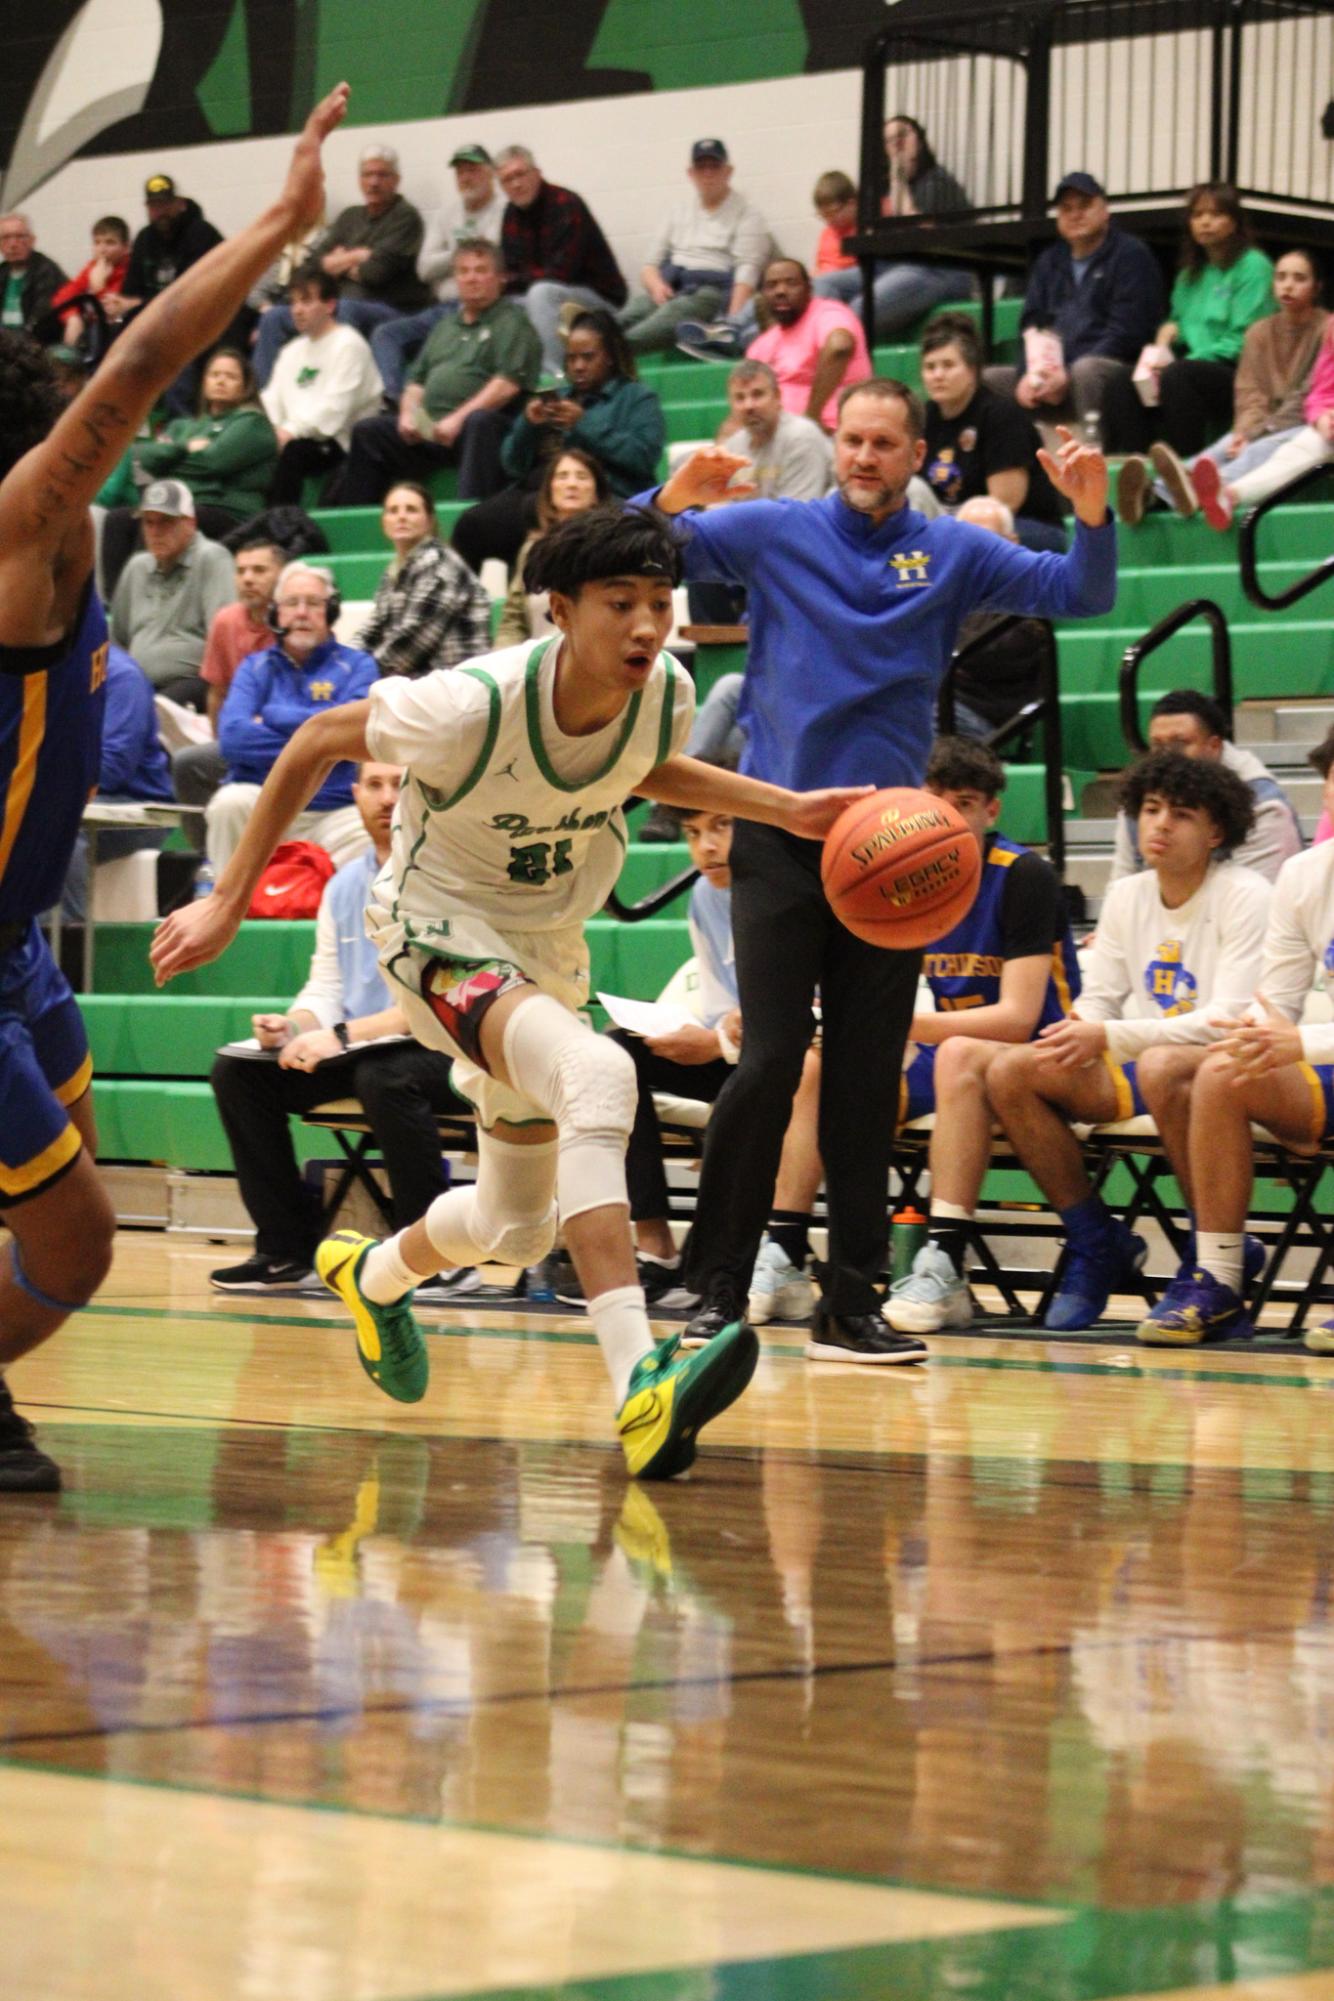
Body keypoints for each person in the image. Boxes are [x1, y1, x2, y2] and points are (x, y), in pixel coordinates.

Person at [151, 504, 867, 1480]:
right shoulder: (469, 703)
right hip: (434, 934)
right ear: (561, 611)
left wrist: (785, 807)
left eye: (660, 602)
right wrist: (228, 902)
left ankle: (372, 1273)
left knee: (515, 1221)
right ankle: (636, 1385)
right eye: (621, 604)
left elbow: (640, 766)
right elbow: (321, 734)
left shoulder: (661, 689)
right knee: (597, 1075)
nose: (647, 624)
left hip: (541, 950)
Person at [0, 79, 352, 1491]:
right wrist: (275, 221)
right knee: (79, 1240)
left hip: (17, 943)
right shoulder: (26, 525)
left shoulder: (56, 539)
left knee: (67, 1166)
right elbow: (140, 355)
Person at [635, 381, 1117, 1365]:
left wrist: (1090, 510)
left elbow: (1080, 593)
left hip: (890, 854)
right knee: (770, 1060)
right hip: (775, 834)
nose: (863, 456)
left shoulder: (950, 550)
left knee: (862, 1076)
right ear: (837, 445)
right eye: (851, 439)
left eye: (884, 443)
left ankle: (850, 1301)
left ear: (913, 455)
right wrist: (669, 498)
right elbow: (634, 554)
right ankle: (714, 1281)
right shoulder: (772, 528)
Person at [983, 749, 1270, 1330]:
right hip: (1145, 1062)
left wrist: (1108, 1033)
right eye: (1151, 808)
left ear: (1216, 830)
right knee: (1010, 1069)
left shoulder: (1246, 894)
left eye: (1181, 814)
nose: (1160, 824)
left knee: (1165, 1064)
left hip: (1219, 1071)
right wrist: (1075, 1032)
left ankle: (1212, 1252)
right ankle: (1094, 1240)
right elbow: (1100, 996)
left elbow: (1228, 1018)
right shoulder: (1128, 895)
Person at [209, 762, 463, 1292]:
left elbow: (432, 1004)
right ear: (355, 795)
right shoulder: (345, 884)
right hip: (363, 1049)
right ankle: (285, 1248)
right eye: (374, 785)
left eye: (401, 784)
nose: (386, 798)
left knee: (384, 1076)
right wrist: (291, 1026)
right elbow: (326, 988)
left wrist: (344, 1036)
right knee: (239, 1071)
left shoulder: (448, 878)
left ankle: (429, 1252)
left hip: (445, 1050)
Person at [865, 738, 1081, 1331]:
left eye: (961, 804)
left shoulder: (1024, 876)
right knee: (819, 1071)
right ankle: (791, 1254)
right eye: (932, 803)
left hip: (1033, 1055)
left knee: (957, 1053)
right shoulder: (899, 879)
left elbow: (1016, 1018)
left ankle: (946, 1262)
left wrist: (900, 1023)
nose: (944, 819)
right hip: (942, 1055)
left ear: (992, 811)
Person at [1134, 779, 1334, 1349]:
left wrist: (1301, 1044)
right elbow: (1278, 1002)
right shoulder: (1304, 875)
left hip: (1322, 1052)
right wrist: (1256, 1032)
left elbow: (1299, 1036)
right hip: (1327, 1062)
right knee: (1220, 1066)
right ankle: (1220, 1279)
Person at [1118, 249, 1327, 525]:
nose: (1288, 285)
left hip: (1302, 422)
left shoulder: (1327, 329)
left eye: (1299, 278)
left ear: (1317, 287)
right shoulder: (1259, 332)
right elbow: (1249, 391)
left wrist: (1258, 433)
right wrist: (1245, 430)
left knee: (1258, 449)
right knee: (1220, 449)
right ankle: (1157, 492)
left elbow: (1309, 394)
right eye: (1281, 277)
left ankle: (1182, 491)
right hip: (1263, 421)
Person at [452, 306, 663, 575]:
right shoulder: (557, 396)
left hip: (605, 494)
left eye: (588, 357)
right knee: (471, 526)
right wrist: (528, 425)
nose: (578, 366)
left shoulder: (637, 397)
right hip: (538, 491)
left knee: (535, 513)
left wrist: (583, 424)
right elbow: (512, 465)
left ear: (610, 356)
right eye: (571, 358)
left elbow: (643, 457)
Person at [334, 240, 541, 506]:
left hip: (483, 433)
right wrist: (409, 414)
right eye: (464, 271)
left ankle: (466, 520)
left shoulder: (513, 322)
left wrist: (456, 420)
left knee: (480, 422)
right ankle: (357, 528)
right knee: (369, 432)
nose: (471, 278)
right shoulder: (444, 326)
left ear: (501, 278)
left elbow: (506, 385)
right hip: (432, 431)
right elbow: (416, 383)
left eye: (481, 270)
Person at [208, 560, 377, 873]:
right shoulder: (254, 668)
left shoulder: (359, 667)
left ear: (331, 611)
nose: (301, 612)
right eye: (291, 603)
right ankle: (228, 914)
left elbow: (351, 736)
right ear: (276, 612)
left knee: (367, 829)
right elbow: (232, 738)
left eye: (314, 603)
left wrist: (272, 714)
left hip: (334, 811)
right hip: (264, 804)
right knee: (229, 804)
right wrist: (321, 739)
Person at [986, 172, 1164, 454]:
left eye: (1084, 206)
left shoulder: (1130, 255)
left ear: (1104, 211)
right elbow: (1032, 326)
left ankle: (1097, 459)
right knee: (990, 381)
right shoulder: (1049, 262)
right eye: (1067, 209)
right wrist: (1027, 375)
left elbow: (1126, 333)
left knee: (1087, 370)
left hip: (1111, 370)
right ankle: (1010, 467)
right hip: (1053, 375)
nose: (1075, 215)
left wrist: (1066, 374)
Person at [100, 348, 278, 595]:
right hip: (185, 505)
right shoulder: (183, 427)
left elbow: (213, 462)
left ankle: (152, 596)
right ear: (204, 382)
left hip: (228, 514)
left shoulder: (252, 423)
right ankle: (118, 602)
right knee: (118, 520)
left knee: (159, 518)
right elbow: (142, 457)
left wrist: (171, 458)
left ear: (245, 385)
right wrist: (185, 448)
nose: (221, 380)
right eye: (214, 374)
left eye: (230, 376)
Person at [251, 143, 429, 385]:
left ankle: (331, 386)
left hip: (387, 308)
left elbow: (376, 273)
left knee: (344, 308)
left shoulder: (406, 217)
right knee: (274, 318)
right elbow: (311, 270)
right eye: (367, 175)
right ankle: (261, 400)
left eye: (382, 175)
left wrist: (336, 263)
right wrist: (357, 257)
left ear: (396, 180)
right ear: (359, 180)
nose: (374, 182)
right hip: (336, 302)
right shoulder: (350, 217)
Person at [1107, 689, 1301, 888]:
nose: (1166, 756)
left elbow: (1262, 901)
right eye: (1157, 746)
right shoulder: (1140, 798)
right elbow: (1120, 887)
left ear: (1214, 746)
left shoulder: (1263, 806)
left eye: (1179, 743)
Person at [812, 113, 974, 336]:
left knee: (858, 311)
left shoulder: (937, 182)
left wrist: (898, 177)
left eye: (903, 135)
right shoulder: (885, 189)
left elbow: (920, 234)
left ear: (919, 139)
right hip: (896, 266)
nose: (896, 144)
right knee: (822, 287)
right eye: (889, 140)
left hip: (940, 268)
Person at [1145, 184, 1274, 460]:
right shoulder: (1189, 274)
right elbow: (1178, 323)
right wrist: (1167, 337)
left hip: (1241, 374)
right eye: (1197, 215)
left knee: (1178, 376)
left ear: (1234, 221)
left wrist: (1186, 360)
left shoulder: (1254, 266)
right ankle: (1141, 476)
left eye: (1216, 214)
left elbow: (1246, 340)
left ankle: (1187, 472)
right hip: (1192, 368)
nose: (1205, 222)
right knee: (1121, 382)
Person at [370, 144, 507, 402]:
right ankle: (396, 402)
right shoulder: (447, 214)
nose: (465, 178)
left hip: (481, 310)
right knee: (385, 334)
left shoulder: (503, 211)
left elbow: (490, 258)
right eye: (460, 173)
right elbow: (424, 269)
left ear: (490, 174)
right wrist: (459, 252)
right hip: (442, 308)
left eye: (472, 170)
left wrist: (450, 258)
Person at [920, 311, 1067, 551]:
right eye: (929, 367)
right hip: (956, 528)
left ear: (972, 370)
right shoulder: (925, 418)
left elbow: (1005, 505)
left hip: (1026, 529)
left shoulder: (1001, 416)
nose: (937, 375)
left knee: (975, 538)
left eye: (948, 365)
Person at [1186, 301, 1334, 532]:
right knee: (1300, 447)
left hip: (1285, 425)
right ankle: (1228, 496)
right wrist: (1321, 417)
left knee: (1266, 444)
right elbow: (1319, 391)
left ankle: (1174, 490)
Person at [618, 139, 771, 355]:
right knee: (633, 312)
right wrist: (656, 287)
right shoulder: (677, 211)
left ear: (728, 171)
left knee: (662, 320)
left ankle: (608, 349)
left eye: (714, 166)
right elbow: (649, 266)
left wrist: (732, 324)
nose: (708, 173)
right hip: (671, 286)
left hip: (711, 292)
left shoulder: (748, 214)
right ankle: (590, 334)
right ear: (691, 173)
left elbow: (747, 273)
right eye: (701, 167)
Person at [59, 643, 176, 922]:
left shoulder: (122, 677)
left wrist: (44, 782)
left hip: (135, 809)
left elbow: (113, 767)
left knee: (57, 828)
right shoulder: (48, 676)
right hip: (72, 797)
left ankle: (66, 946)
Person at [174, 537, 287, 811]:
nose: (248, 579)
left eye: (259, 570)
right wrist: (221, 742)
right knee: (187, 762)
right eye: (241, 571)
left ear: (282, 575)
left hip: (284, 736)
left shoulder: (293, 619)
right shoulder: (226, 620)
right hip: (240, 736)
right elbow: (217, 692)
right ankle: (207, 851)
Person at [494, 146, 627, 374]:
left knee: (541, 293)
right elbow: (510, 274)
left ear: (537, 173)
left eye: (520, 174)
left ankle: (553, 376)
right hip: (546, 296)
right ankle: (508, 379)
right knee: (498, 305)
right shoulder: (510, 214)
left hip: (599, 299)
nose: (516, 184)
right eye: (507, 180)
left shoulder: (566, 203)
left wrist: (515, 279)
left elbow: (562, 272)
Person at [261, 266, 384, 505]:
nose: (297, 310)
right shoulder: (291, 350)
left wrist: (290, 431)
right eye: (293, 302)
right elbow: (271, 399)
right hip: (295, 437)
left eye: (306, 301)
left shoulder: (349, 344)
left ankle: (280, 524)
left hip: (339, 442)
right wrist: (271, 430)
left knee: (291, 453)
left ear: (330, 305)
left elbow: (334, 411)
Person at [108, 478, 235, 708]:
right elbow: (118, 639)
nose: (155, 532)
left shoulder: (212, 558)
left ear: (190, 523)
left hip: (193, 682)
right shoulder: (137, 567)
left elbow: (223, 640)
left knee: (148, 713)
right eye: (149, 523)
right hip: (138, 685)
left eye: (166, 522)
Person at [106, 174, 226, 414]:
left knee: (175, 349)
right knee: (110, 333)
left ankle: (181, 422)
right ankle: (120, 414)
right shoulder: (144, 239)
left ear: (179, 204)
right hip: (155, 319)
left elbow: (191, 293)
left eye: (165, 204)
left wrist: (137, 304)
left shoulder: (201, 233)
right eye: (154, 206)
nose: (161, 212)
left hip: (200, 318)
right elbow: (129, 293)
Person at [944, 496, 1055, 741]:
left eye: (990, 540)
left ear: (1012, 542)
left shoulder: (1030, 591)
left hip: (992, 717)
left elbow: (998, 656)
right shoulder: (944, 588)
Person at [358, 481, 491, 677]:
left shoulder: (441, 566)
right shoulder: (394, 570)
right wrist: (346, 662)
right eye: (393, 511)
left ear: (429, 521)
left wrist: (356, 675)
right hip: (415, 682)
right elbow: (372, 628)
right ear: (384, 521)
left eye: (411, 510)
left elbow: (412, 646)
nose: (401, 517)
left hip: (453, 685)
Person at [495, 449, 609, 646]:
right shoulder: (533, 549)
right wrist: (503, 662)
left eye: (582, 477)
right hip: (538, 663)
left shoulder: (613, 546)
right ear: (550, 490)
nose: (572, 484)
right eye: (562, 476)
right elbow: (514, 619)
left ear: (596, 493)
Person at [49, 217, 130, 349]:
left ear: (125, 247)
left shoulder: (130, 271)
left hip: (118, 338)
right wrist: (72, 317)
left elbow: (112, 314)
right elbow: (61, 298)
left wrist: (99, 288)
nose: (102, 249)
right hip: (92, 334)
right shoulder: (92, 268)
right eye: (97, 243)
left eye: (110, 243)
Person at [0, 213, 67, 340]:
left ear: (32, 240)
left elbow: (40, 321)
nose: (13, 244)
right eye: (6, 238)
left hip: (36, 343)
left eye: (20, 236)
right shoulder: (2, 272)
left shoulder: (46, 270)